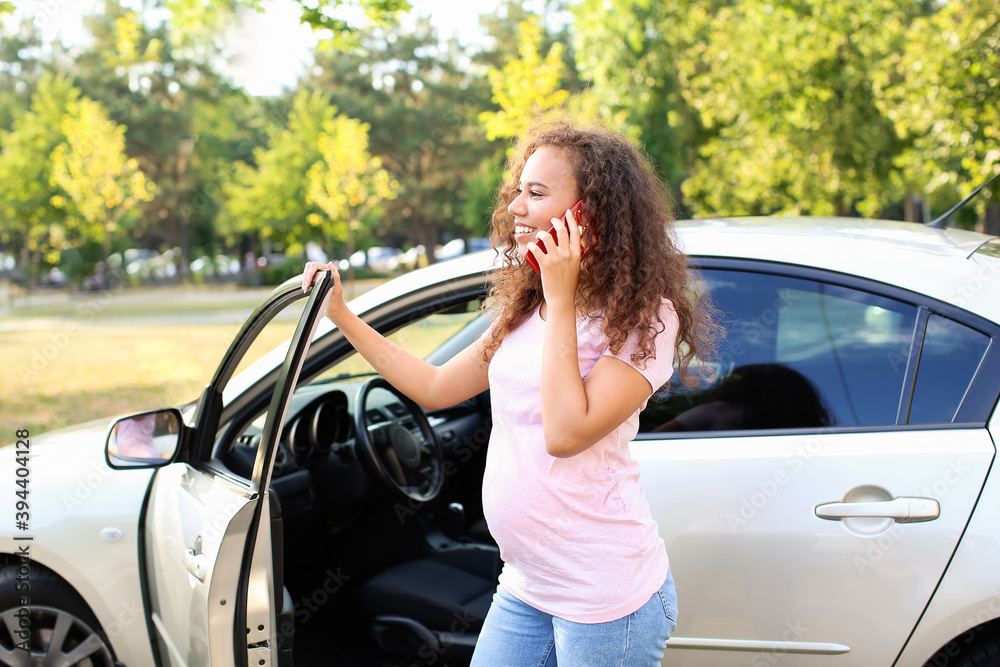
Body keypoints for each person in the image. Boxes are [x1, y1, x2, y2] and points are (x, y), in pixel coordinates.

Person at [302, 119, 716, 666]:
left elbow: (566, 433)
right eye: (518, 190)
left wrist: (563, 296)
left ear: (591, 210)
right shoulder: (526, 309)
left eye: (537, 193)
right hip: (527, 583)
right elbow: (434, 386)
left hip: (603, 596)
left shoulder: (642, 318)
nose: (516, 207)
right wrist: (341, 317)